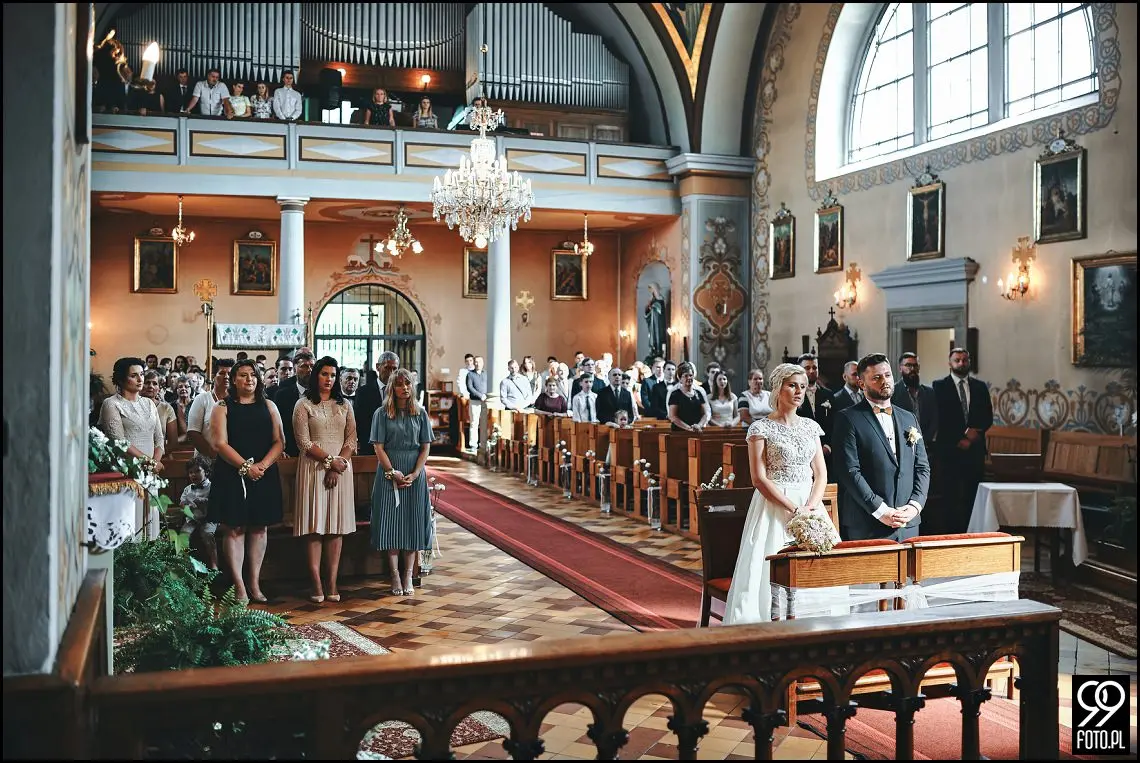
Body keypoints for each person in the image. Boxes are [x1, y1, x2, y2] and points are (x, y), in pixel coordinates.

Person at [723, 363, 828, 624]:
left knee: (816, 566)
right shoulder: (761, 429)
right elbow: (758, 478)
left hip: (810, 507)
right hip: (773, 504)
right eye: (792, 385)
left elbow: (821, 474)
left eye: (802, 386)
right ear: (778, 388)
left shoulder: (811, 427)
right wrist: (794, 508)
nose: (799, 391)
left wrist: (809, 509)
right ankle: (764, 623)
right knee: (766, 568)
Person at [207, 359, 285, 604]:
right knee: (234, 528)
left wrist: (261, 466)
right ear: (234, 380)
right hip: (232, 474)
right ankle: (239, 586)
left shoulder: (269, 405)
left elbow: (279, 441)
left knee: (259, 527)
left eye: (253, 375)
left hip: (263, 472)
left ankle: (254, 582)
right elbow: (220, 443)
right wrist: (245, 466)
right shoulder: (222, 406)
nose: (249, 379)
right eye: (243, 375)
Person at [833, 353, 930, 541]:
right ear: (862, 384)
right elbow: (850, 472)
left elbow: (922, 467)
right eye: (876, 377)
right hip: (867, 522)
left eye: (887, 375)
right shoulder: (848, 418)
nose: (884, 381)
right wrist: (881, 510)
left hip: (907, 522)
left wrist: (914, 506)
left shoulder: (909, 418)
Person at [292, 356, 358, 604]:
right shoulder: (303, 405)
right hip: (313, 468)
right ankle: (316, 582)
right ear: (315, 375)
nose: (329, 379)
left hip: (341, 470)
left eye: (333, 375)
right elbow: (303, 443)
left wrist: (337, 465)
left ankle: (332, 581)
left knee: (335, 528)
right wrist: (330, 462)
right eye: (324, 374)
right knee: (315, 527)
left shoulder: (346, 406)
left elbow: (351, 440)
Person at [370, 368, 434, 597]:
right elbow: (378, 446)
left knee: (412, 523)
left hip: (414, 471)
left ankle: (408, 573)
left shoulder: (420, 413)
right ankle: (394, 574)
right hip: (390, 471)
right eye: (399, 384)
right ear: (392, 388)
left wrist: (416, 473)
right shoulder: (381, 413)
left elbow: (425, 445)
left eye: (407, 384)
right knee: (391, 523)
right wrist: (391, 471)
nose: (404, 388)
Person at [930, 348, 991, 533]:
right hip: (950, 450)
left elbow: (987, 415)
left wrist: (974, 436)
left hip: (975, 450)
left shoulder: (980, 387)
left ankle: (972, 533)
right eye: (957, 360)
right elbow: (940, 417)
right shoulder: (939, 386)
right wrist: (962, 435)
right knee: (951, 495)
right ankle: (951, 535)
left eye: (965, 360)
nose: (961, 363)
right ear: (950, 363)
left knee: (973, 495)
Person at [99, 357, 166, 484]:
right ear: (121, 379)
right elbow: (119, 441)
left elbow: (159, 438)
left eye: (141, 374)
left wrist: (154, 463)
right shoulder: (111, 403)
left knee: (150, 504)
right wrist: (149, 462)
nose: (140, 379)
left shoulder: (149, 403)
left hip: (150, 471)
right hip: (126, 469)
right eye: (134, 376)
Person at [178, 455, 218, 571]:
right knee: (184, 534)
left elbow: (215, 503)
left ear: (206, 471)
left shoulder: (212, 487)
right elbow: (182, 503)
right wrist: (187, 507)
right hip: (192, 518)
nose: (193, 475)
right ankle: (184, 562)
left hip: (208, 518)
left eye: (197, 471)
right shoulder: (188, 489)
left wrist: (203, 502)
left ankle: (214, 564)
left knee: (207, 534)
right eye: (190, 472)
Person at [667, 362, 711, 432]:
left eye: (691, 375)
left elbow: (705, 414)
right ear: (680, 379)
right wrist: (688, 428)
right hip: (680, 432)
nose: (689, 378)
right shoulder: (675, 394)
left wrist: (699, 426)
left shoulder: (698, 393)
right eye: (685, 376)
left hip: (697, 431)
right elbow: (672, 416)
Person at [141, 369, 178, 450]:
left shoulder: (166, 408)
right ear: (140, 384)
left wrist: (155, 460)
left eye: (155, 383)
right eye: (147, 383)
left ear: (159, 388)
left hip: (161, 457)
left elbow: (173, 442)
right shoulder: (132, 405)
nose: (151, 386)